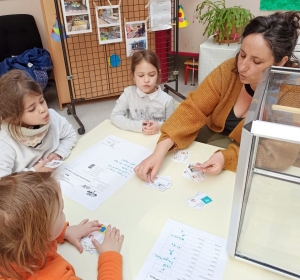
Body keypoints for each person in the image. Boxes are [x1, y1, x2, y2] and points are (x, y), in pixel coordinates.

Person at [134, 11, 300, 181]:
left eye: (256, 62)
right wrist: (159, 152)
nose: (242, 66)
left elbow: (279, 153)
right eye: (242, 54)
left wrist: (226, 158)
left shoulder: (292, 92)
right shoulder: (230, 69)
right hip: (213, 140)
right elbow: (194, 108)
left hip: (249, 157)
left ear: (280, 62)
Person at [0, 172, 124, 280]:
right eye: (60, 212)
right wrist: (109, 256)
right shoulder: (53, 276)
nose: (63, 213)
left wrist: (64, 231)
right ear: (42, 236)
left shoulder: (11, 243)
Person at [0, 69, 77, 178]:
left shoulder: (52, 116)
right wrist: (34, 172)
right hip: (27, 188)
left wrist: (58, 153)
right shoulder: (5, 143)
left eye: (41, 101)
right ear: (13, 119)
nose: (42, 109)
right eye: (32, 109)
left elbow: (70, 136)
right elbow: (4, 182)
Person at [110, 49, 175, 135]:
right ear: (133, 75)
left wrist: (159, 127)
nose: (146, 80)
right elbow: (115, 116)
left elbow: (173, 126)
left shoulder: (167, 100)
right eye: (141, 75)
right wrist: (137, 126)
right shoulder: (128, 94)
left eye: (151, 75)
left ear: (158, 74)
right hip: (135, 140)